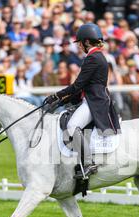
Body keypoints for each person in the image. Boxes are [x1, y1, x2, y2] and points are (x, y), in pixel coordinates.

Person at [43, 23, 121, 179]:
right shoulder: (96, 56)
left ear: (86, 42)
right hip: (92, 98)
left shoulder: (93, 58)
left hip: (95, 102)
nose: (78, 46)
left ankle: (88, 163)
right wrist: (60, 102)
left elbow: (78, 85)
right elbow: (82, 88)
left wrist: (56, 95)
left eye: (79, 42)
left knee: (72, 126)